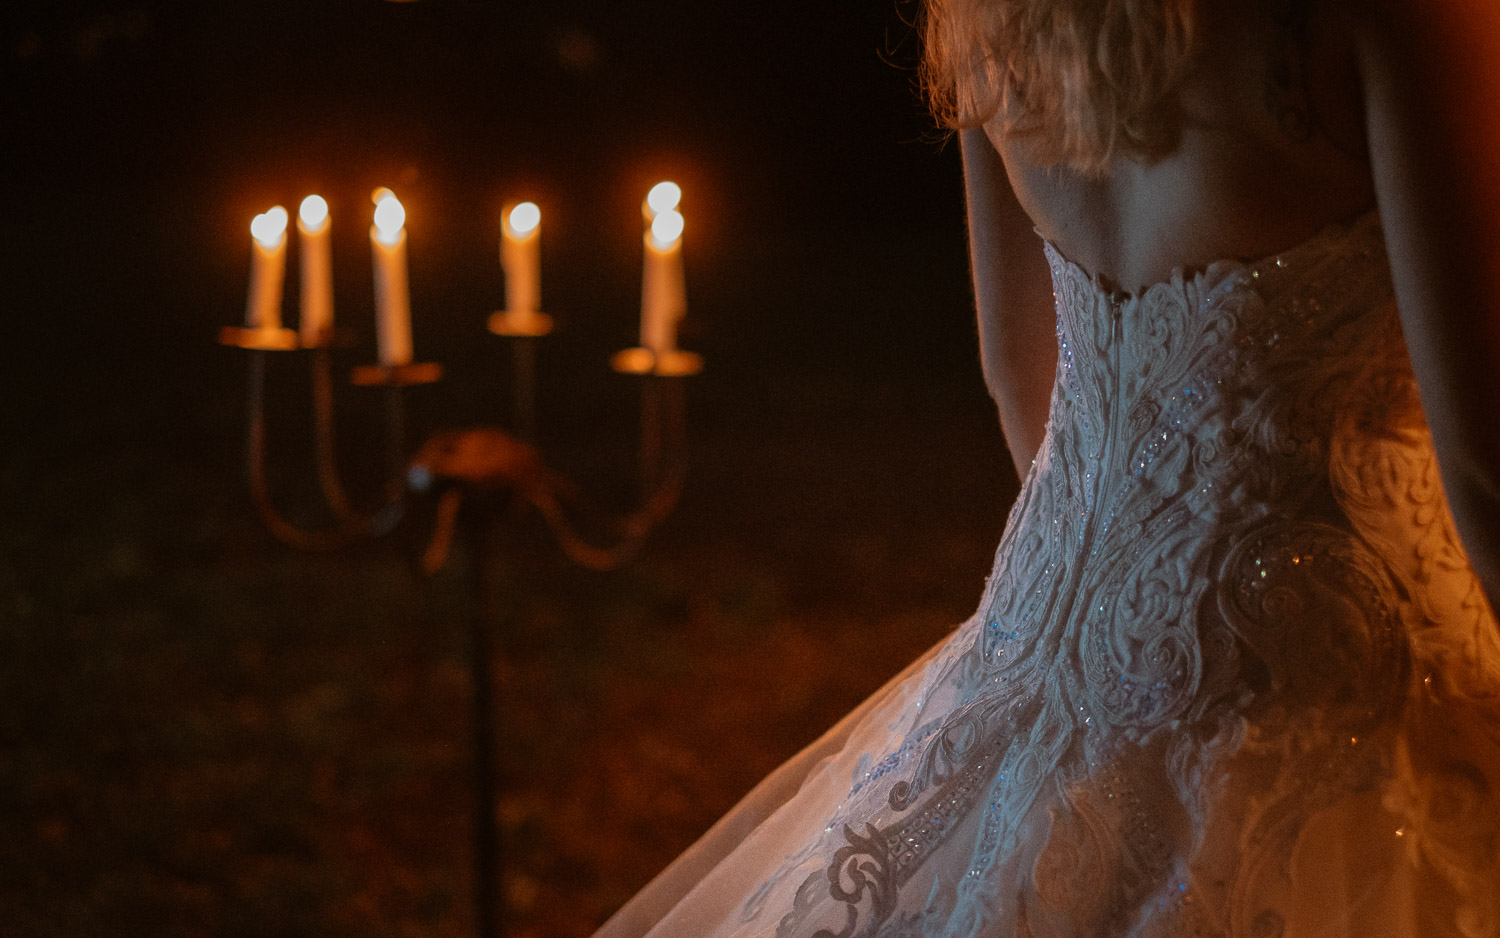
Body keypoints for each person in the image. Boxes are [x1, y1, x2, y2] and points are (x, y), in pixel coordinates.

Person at [594, 0, 1500, 934]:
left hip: (1044, 660)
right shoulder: (1402, 18)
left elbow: (1018, 372)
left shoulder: (1002, 16)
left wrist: (1112, 629)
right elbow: (1483, 465)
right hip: (1336, 696)